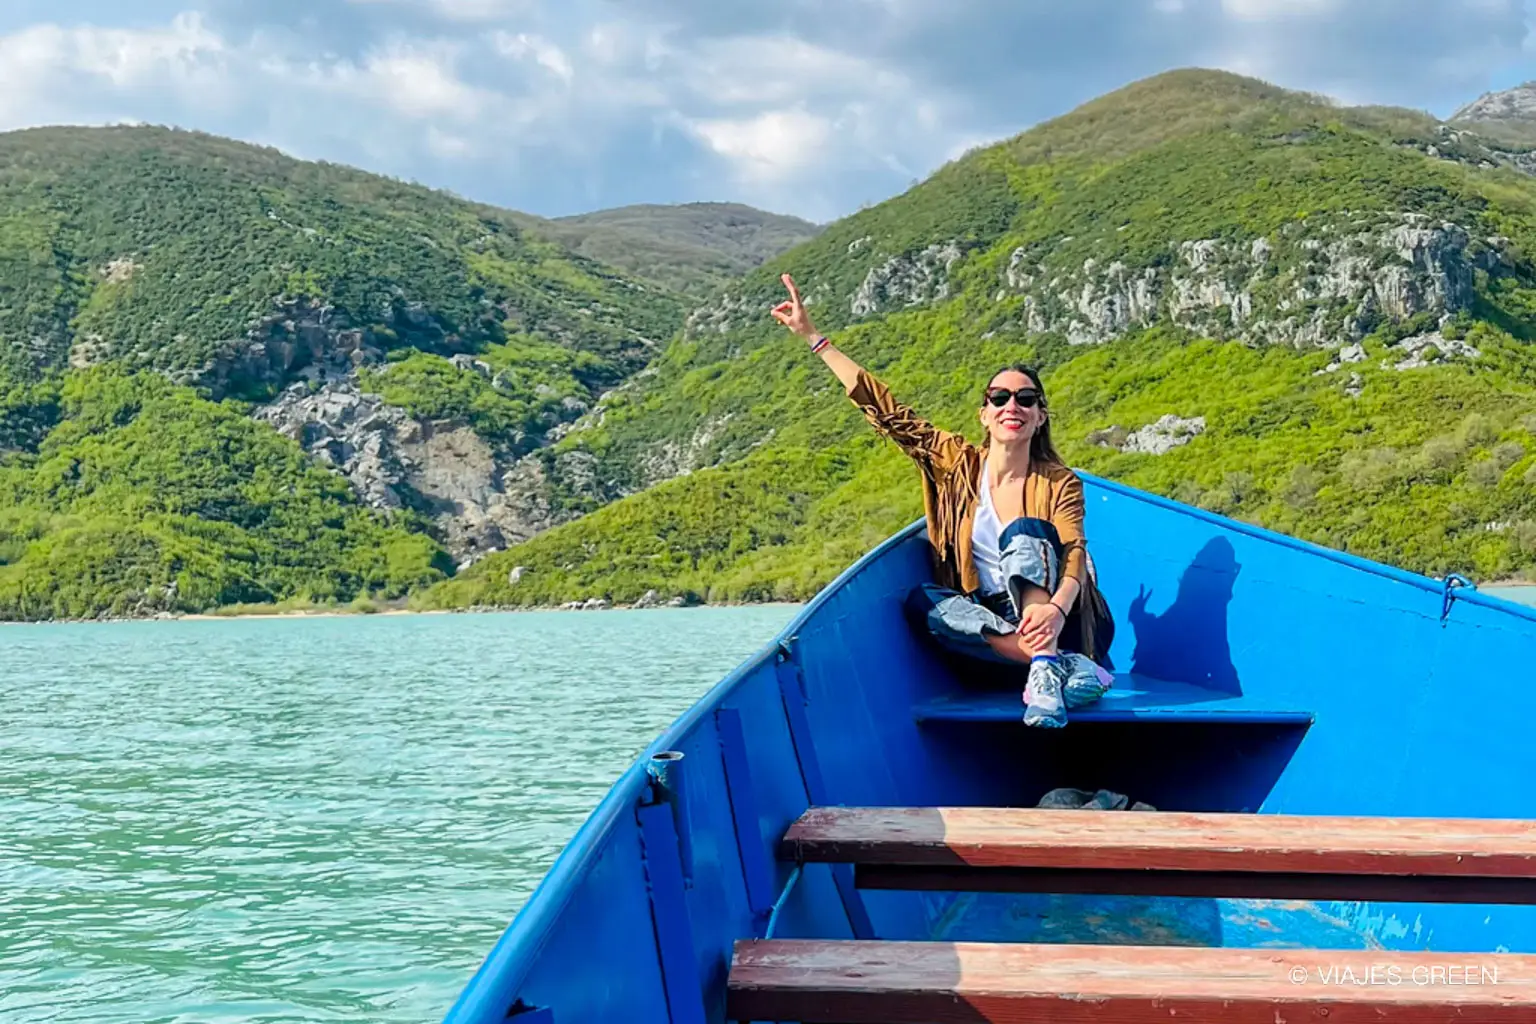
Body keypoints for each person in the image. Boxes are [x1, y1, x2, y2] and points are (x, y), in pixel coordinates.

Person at [770, 273, 1114, 727]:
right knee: (923, 601)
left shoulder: (1057, 481)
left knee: (1024, 532)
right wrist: (814, 338)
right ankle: (1048, 663)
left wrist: (1054, 610)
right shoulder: (957, 464)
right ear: (984, 414)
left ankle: (1049, 661)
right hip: (995, 629)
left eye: (1026, 399)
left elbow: (1074, 553)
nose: (1012, 405)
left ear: (1040, 416)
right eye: (999, 397)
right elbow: (889, 413)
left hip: (1060, 614)